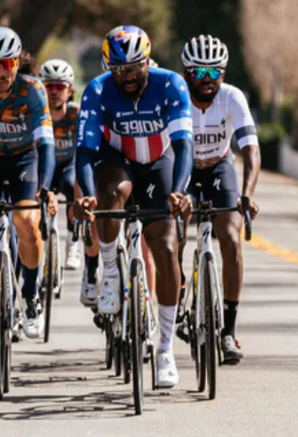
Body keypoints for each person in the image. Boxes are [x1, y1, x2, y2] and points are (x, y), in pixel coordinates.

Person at [74, 25, 193, 388]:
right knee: (109, 194)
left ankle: (165, 349)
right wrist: (86, 195)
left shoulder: (170, 84)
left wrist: (180, 191)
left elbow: (184, 145)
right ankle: (110, 270)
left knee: (166, 248)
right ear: (108, 68)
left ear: (147, 62)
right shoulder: (97, 90)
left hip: (159, 161)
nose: (128, 76)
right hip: (117, 159)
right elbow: (85, 151)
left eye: (135, 68)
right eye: (119, 69)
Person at [0, 26, 57, 344]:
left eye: (7, 63)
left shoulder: (33, 90)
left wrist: (46, 186)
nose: (1, 72)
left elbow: (46, 144)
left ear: (18, 63)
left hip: (23, 161)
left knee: (27, 221)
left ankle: (30, 296)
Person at [178, 34, 261, 365]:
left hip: (218, 166)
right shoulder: (177, 97)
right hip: (182, 168)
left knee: (230, 236)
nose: (207, 80)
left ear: (223, 74)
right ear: (186, 73)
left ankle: (228, 330)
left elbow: (251, 150)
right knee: (173, 231)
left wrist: (247, 195)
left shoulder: (232, 98)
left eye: (214, 72)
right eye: (199, 72)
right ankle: (178, 294)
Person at [37, 59, 85, 272]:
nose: (54, 92)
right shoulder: (36, 113)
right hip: (43, 166)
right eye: (49, 87)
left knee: (70, 184)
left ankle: (73, 243)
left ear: (70, 90)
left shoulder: (77, 114)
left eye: (60, 86)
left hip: (68, 166)